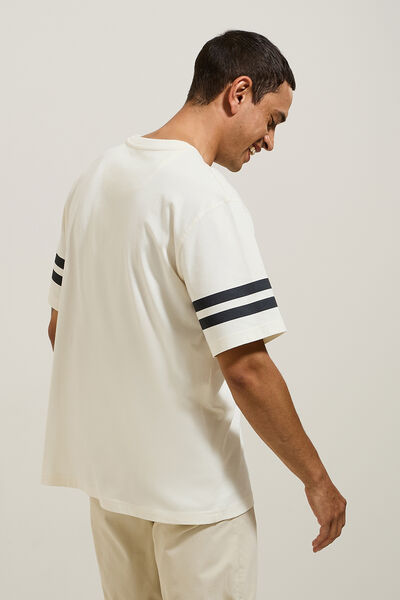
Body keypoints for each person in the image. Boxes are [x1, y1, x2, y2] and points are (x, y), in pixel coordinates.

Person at [42, 29, 347, 599]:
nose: (270, 141)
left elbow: (63, 328)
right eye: (272, 120)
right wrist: (318, 480)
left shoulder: (95, 179)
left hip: (114, 490)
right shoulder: (204, 199)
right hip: (198, 501)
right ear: (239, 92)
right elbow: (246, 367)